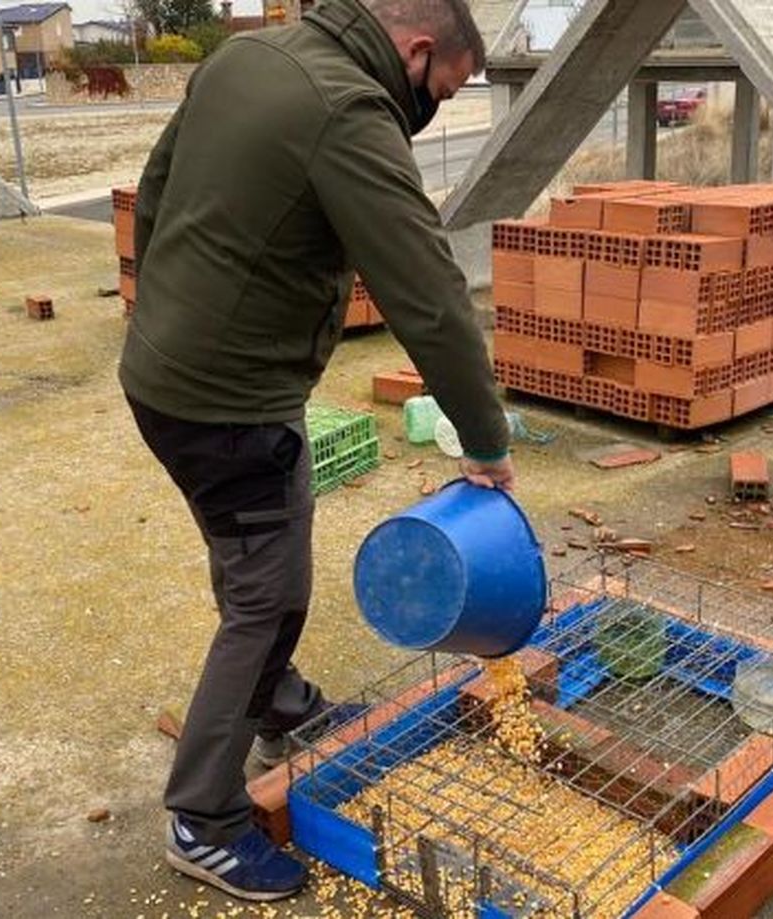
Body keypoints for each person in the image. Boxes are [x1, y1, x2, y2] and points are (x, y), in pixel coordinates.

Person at [119, 0, 515, 902]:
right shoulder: (350, 111)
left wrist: (165, 313)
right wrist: (485, 438)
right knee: (268, 595)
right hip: (229, 403)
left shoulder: (249, 56)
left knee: (251, 550)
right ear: (417, 50)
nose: (436, 111)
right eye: (445, 91)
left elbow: (157, 187)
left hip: (164, 374)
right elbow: (428, 295)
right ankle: (202, 818)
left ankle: (284, 706)